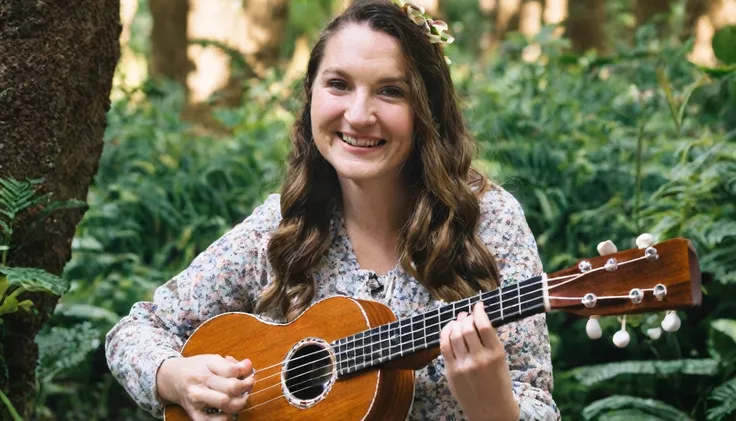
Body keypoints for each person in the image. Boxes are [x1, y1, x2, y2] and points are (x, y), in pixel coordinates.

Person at [105, 1, 560, 420]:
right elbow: (137, 330)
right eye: (339, 85)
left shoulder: (487, 223)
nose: (359, 115)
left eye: (391, 91)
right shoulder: (283, 224)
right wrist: (175, 378)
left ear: (428, 110)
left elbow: (538, 403)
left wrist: (498, 409)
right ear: (311, 97)